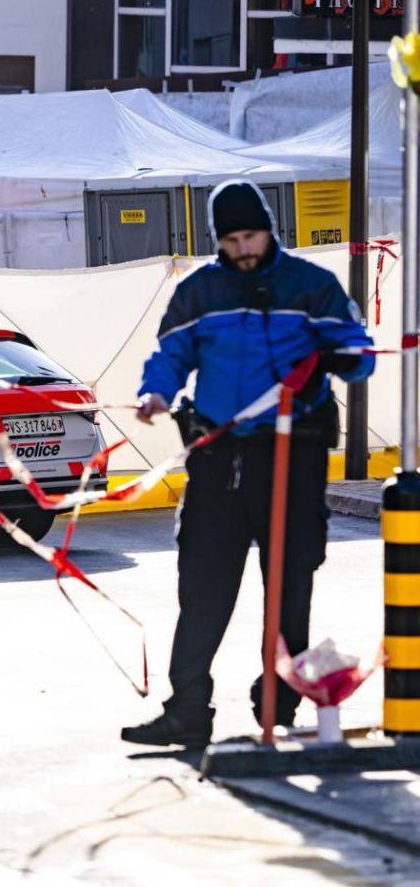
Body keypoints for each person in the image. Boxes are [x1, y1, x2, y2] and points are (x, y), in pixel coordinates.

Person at [121, 180, 374, 748]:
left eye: (251, 235)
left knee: (290, 584)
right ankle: (187, 708)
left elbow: (359, 355)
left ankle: (278, 702)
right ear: (219, 241)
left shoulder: (312, 286)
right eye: (232, 239)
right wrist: (155, 393)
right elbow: (171, 354)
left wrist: (343, 356)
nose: (244, 247)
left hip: (292, 455)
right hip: (217, 458)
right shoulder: (200, 291)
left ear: (269, 229)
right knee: (202, 585)